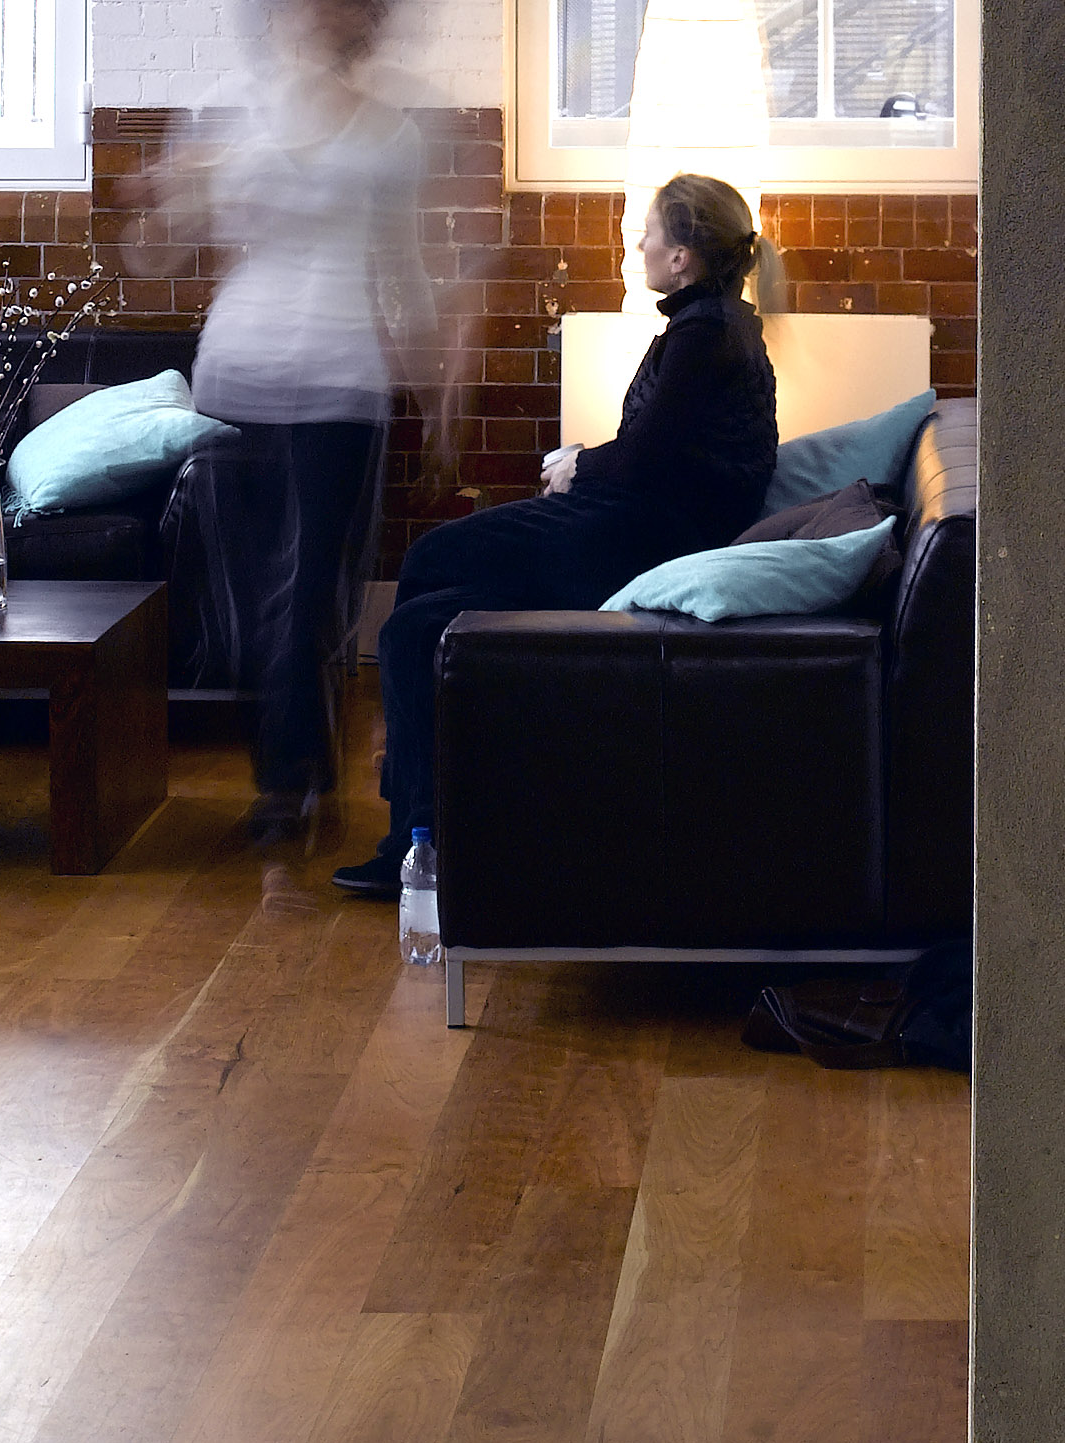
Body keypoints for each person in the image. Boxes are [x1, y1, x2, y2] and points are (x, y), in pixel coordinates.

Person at [332, 167, 777, 902]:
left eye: (651, 231)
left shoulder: (705, 335)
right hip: (635, 523)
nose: (636, 241)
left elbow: (644, 462)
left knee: (430, 556)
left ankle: (418, 830)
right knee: (414, 627)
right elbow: (668, 453)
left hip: (634, 535)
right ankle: (422, 825)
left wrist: (578, 465)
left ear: (682, 256)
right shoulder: (717, 325)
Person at [173, 0, 457, 842]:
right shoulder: (228, 110)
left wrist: (438, 400)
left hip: (342, 383)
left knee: (311, 594)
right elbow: (165, 244)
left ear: (360, 10)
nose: (318, 11)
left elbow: (404, 271)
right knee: (251, 596)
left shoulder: (392, 133)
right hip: (236, 374)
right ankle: (294, 761)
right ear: (276, 5)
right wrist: (171, 195)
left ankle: (289, 782)